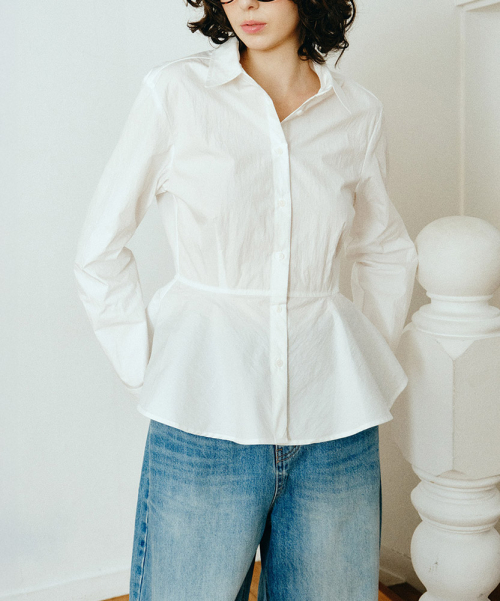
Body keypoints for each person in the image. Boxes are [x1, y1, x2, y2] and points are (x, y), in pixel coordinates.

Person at [74, 0, 419, 598]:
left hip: (333, 428)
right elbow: (99, 250)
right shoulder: (176, 92)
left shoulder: (357, 111)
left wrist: (363, 364)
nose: (247, 3)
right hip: (205, 415)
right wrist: (145, 372)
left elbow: (384, 250)